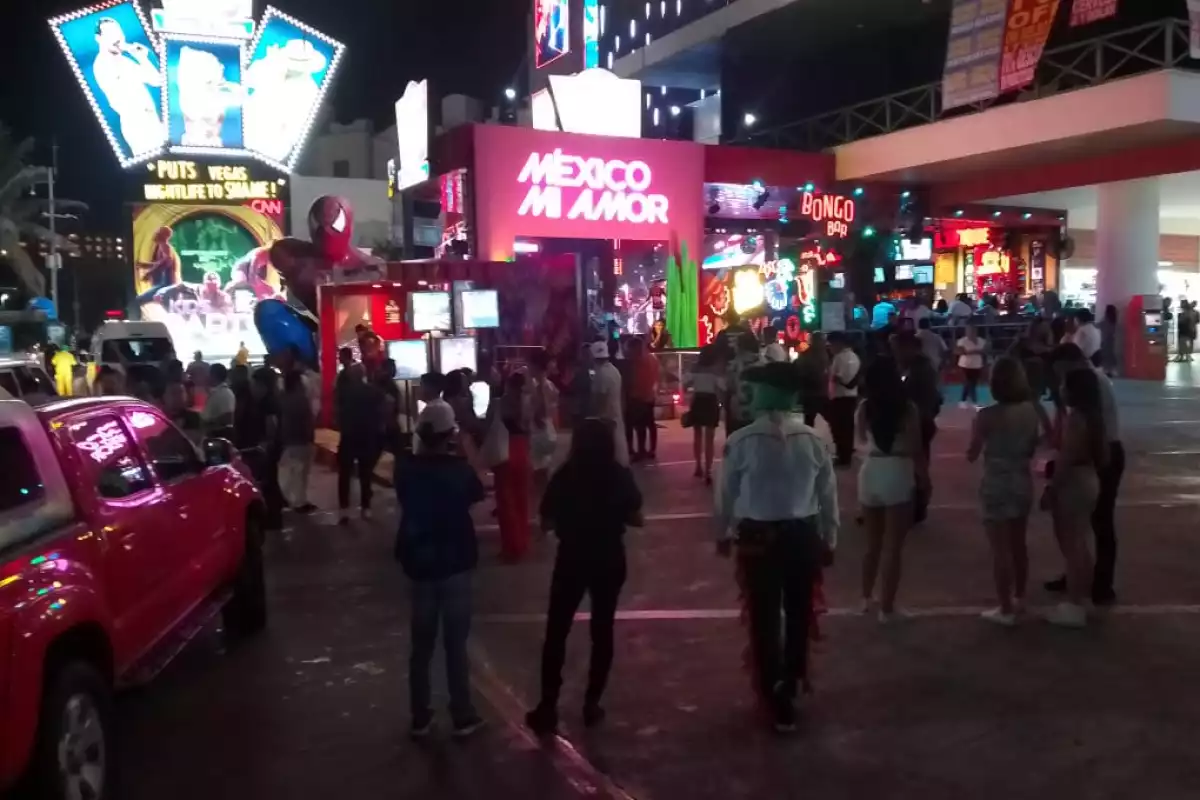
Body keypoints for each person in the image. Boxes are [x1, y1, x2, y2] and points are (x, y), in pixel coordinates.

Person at [716, 361, 839, 734]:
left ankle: (772, 693)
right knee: (800, 614)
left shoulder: (741, 442)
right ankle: (790, 684)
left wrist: (721, 533)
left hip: (757, 540)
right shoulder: (813, 439)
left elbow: (725, 497)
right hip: (803, 537)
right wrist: (830, 539)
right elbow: (828, 499)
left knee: (764, 617)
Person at [525, 418, 644, 735]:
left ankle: (548, 705)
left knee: (557, 631)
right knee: (602, 630)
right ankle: (592, 702)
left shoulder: (566, 476)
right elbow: (637, 516)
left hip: (572, 558)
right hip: (608, 557)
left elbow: (547, 521)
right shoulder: (618, 475)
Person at [393, 402, 486, 739]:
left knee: (421, 646)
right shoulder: (459, 471)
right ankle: (462, 714)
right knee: (455, 645)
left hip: (419, 563)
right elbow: (480, 488)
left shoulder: (405, 469)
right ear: (449, 435)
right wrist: (464, 447)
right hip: (455, 561)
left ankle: (421, 716)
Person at [1045, 343, 1124, 607]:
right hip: (1098, 454)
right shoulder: (1087, 385)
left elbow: (1086, 436)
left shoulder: (1092, 385)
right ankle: (1079, 578)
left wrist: (1056, 480)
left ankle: (1099, 584)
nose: (1060, 380)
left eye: (1061, 371)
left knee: (1097, 523)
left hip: (1097, 456)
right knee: (1084, 526)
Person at [967, 357, 1041, 626]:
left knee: (1000, 550)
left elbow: (972, 454)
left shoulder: (986, 416)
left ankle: (1005, 607)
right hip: (1022, 479)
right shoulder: (1030, 411)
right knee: (1019, 543)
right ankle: (1020, 596)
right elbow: (1035, 446)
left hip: (996, 483)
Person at [856, 358, 924, 622]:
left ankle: (865, 598)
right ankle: (887, 607)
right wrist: (923, 477)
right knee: (893, 547)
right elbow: (915, 446)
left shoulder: (864, 408)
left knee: (872, 544)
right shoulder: (907, 408)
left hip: (871, 470)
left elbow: (859, 442)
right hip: (897, 470)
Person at [1043, 367, 1109, 628]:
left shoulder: (1077, 420)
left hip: (1074, 484)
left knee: (1072, 546)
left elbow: (1065, 459)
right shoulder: (1093, 417)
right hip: (1089, 479)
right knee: (1081, 543)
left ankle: (1073, 604)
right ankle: (1083, 601)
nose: (1060, 389)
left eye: (1064, 385)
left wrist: (1052, 489)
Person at [91, 16, 163, 156]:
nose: (117, 38)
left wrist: (142, 58)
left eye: (119, 33)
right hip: (137, 126)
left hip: (153, 122)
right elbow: (121, 98)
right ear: (99, 38)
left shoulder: (126, 62)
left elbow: (156, 80)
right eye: (110, 34)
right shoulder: (102, 65)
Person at [892, 333, 943, 524]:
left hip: (919, 422)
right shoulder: (917, 367)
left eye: (898, 349)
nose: (895, 354)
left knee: (916, 466)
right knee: (915, 465)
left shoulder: (920, 370)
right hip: (920, 420)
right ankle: (914, 507)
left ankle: (917, 508)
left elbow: (922, 398)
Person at [335, 363, 385, 523]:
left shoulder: (342, 391)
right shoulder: (374, 391)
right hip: (367, 437)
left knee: (344, 474)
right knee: (365, 474)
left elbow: (336, 413)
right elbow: (382, 410)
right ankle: (366, 507)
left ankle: (344, 509)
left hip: (348, 436)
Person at [493, 371, 533, 561]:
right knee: (521, 498)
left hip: (506, 447)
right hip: (522, 448)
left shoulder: (502, 402)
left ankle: (511, 546)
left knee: (506, 500)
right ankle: (522, 542)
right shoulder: (527, 403)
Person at [239, 367, 284, 530]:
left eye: (255, 384)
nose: (252, 387)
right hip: (260, 449)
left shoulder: (269, 403)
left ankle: (273, 518)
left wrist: (265, 445)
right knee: (268, 483)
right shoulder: (260, 401)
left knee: (268, 483)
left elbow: (271, 427)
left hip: (263, 451)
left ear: (263, 385)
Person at [279, 369, 318, 514]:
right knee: (301, 473)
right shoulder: (301, 399)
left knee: (291, 470)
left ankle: (291, 498)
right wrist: (311, 438)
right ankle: (298, 501)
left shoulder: (282, 397)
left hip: (288, 438)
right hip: (301, 439)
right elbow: (307, 421)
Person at [684, 345, 724, 483]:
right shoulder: (716, 371)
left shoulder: (695, 368)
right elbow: (722, 386)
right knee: (709, 439)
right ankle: (708, 471)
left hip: (698, 400)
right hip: (711, 402)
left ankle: (698, 467)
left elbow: (685, 382)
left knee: (697, 436)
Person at [588, 339, 630, 466]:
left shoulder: (601, 374)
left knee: (609, 454)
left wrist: (595, 420)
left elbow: (600, 400)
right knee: (619, 449)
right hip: (616, 417)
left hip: (606, 421)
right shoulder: (614, 371)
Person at [826, 332, 861, 467]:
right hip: (849, 396)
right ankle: (844, 455)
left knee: (841, 428)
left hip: (841, 397)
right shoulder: (853, 356)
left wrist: (833, 377)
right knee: (845, 428)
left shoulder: (841, 358)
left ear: (838, 343)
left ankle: (843, 457)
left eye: (831, 345)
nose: (830, 348)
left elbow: (843, 378)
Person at [625, 337, 660, 461]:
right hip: (649, 396)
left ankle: (640, 451)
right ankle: (650, 450)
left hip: (638, 397)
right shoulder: (653, 358)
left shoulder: (637, 361)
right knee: (649, 424)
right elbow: (656, 377)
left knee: (640, 426)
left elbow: (634, 379)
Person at [528, 351, 560, 482]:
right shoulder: (551, 386)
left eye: (529, 365)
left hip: (538, 435)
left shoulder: (537, 386)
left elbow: (542, 413)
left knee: (536, 475)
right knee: (543, 473)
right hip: (548, 433)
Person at [724, 331, 763, 437]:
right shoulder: (763, 363)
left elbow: (729, 386)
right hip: (759, 411)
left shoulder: (734, 365)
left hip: (739, 412)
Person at [797, 332, 829, 429]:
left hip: (818, 392)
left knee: (810, 420)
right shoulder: (808, 355)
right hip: (814, 392)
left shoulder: (806, 355)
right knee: (810, 419)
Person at [955, 324, 987, 408]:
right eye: (968, 331)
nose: (970, 333)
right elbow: (961, 352)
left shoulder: (981, 341)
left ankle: (963, 400)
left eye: (972, 331)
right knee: (969, 383)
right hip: (965, 365)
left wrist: (972, 352)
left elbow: (984, 351)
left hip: (977, 365)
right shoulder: (962, 341)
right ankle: (975, 402)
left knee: (972, 383)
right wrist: (975, 351)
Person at [203, 363, 236, 439]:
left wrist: (208, 423)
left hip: (218, 437)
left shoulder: (225, 393)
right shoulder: (215, 392)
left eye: (208, 374)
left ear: (213, 375)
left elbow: (228, 418)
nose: (206, 377)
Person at [1098, 305, 1119, 376]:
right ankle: (1112, 371)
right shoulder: (1115, 322)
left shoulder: (1104, 322)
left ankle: (1106, 372)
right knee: (1111, 357)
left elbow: (1100, 329)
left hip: (1105, 343)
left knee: (1105, 358)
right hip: (1112, 343)